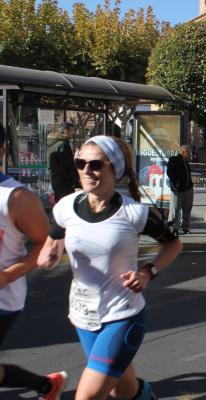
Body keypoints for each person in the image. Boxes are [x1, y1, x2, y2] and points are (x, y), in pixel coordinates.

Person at [38, 135, 182, 400]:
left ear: (114, 169)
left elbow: (174, 245)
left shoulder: (135, 213)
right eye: (80, 163)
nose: (86, 171)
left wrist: (148, 272)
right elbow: (51, 247)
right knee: (123, 389)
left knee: (87, 396)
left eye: (95, 165)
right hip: (83, 316)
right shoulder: (66, 207)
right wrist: (48, 256)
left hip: (122, 316)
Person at [0, 123, 67, 399]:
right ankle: (45, 385)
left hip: (3, 300)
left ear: (1, 151)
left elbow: (43, 244)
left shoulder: (15, 198)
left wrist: (7, 275)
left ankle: (45, 385)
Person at [48, 121, 80, 202]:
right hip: (65, 184)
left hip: (56, 183)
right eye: (71, 131)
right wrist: (75, 183)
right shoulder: (63, 145)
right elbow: (68, 166)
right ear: (66, 131)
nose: (72, 133)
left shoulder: (52, 145)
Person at [167, 145, 193, 234]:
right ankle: (174, 228)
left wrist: (190, 185)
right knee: (175, 209)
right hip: (177, 190)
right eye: (188, 152)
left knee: (187, 209)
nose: (190, 154)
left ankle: (185, 227)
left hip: (188, 189)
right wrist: (175, 185)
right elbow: (169, 173)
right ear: (183, 152)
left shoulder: (186, 161)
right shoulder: (174, 159)